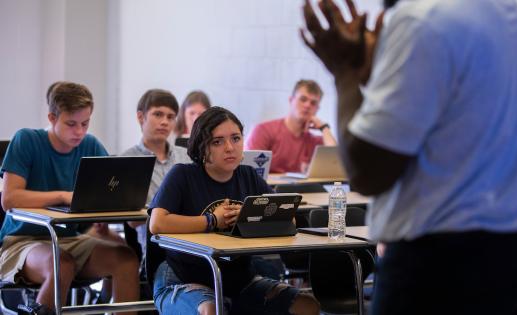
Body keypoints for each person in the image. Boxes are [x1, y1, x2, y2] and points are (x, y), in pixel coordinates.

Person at [302, 0, 517, 314]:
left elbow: (368, 170)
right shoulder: (505, 12)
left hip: (446, 263)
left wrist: (344, 73)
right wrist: (377, 77)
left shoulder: (423, 19)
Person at [149, 106, 320, 315]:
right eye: (217, 141)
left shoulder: (248, 175)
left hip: (239, 281)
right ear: (202, 146)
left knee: (306, 304)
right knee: (211, 309)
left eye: (236, 138)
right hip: (182, 277)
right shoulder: (183, 175)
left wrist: (251, 218)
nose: (229, 147)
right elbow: (157, 223)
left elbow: (289, 221)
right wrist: (212, 220)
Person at [0, 81, 140, 315]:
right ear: (52, 118)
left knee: (126, 259)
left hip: (69, 239)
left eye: (85, 123)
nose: (80, 132)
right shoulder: (27, 140)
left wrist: (111, 208)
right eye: (71, 124)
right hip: (21, 242)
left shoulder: (90, 145)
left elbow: (113, 188)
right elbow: (10, 199)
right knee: (60, 264)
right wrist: (64, 196)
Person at [122, 88, 191, 261]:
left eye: (171, 117)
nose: (165, 122)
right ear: (141, 117)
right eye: (158, 114)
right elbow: (133, 221)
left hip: (195, 240)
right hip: (157, 247)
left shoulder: (188, 156)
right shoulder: (127, 160)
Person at [245, 79, 337, 173]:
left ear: (317, 109)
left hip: (302, 188)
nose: (307, 105)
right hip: (267, 187)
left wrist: (324, 128)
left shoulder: (315, 141)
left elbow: (336, 162)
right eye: (303, 99)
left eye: (313, 103)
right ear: (291, 100)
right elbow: (249, 174)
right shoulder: (263, 131)